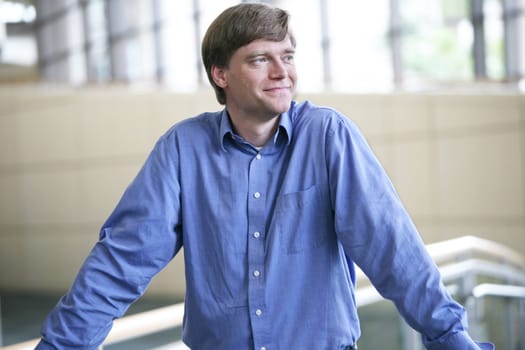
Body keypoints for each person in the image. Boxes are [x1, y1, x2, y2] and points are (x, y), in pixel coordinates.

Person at [36, 3, 493, 350]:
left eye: (287, 56)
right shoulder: (182, 149)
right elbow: (119, 264)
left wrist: (451, 338)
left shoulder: (328, 136)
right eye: (260, 60)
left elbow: (393, 249)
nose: (282, 72)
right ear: (221, 74)